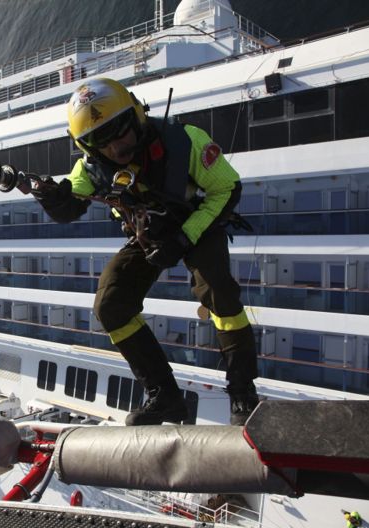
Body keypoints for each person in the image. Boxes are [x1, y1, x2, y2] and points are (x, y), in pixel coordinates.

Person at [31, 78, 259, 426]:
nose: (114, 147)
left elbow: (227, 189)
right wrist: (55, 198)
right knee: (110, 304)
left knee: (217, 290)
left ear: (136, 116)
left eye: (119, 130)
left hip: (197, 221)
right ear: (87, 147)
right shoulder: (90, 167)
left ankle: (242, 390)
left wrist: (184, 238)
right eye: (99, 141)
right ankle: (164, 395)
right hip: (147, 232)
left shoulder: (186, 142)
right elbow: (71, 202)